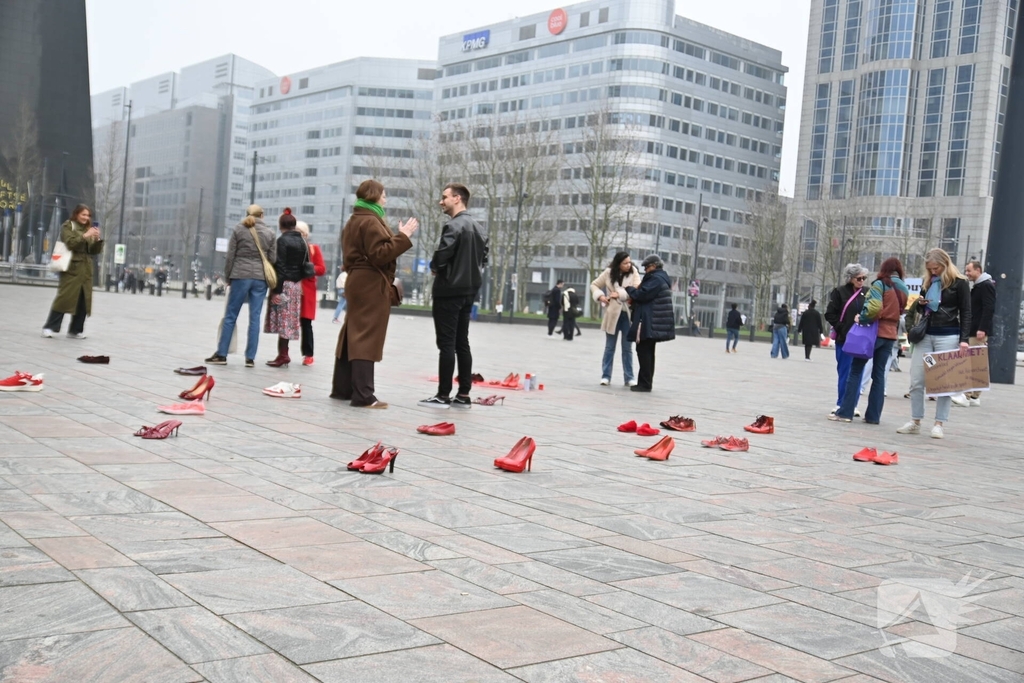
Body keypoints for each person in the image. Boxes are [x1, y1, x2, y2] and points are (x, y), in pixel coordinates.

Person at [332, 179, 418, 408]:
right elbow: (380, 254)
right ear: (374, 195)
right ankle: (364, 395)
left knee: (353, 332)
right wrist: (404, 236)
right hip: (370, 283)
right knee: (366, 336)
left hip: (358, 280)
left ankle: (343, 388)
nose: (385, 199)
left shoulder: (355, 220)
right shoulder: (370, 221)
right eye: (383, 194)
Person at [420, 183, 488, 408]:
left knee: (446, 343)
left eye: (445, 197)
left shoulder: (453, 226)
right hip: (469, 291)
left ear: (457, 198)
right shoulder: (479, 228)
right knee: (462, 342)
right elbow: (483, 259)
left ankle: (443, 394)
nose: (441, 201)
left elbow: (442, 255)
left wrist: (435, 266)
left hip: (448, 291)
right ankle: (464, 394)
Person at [898, 248, 971, 439]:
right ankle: (915, 420)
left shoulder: (960, 283)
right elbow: (919, 309)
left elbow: (966, 312)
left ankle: (939, 423)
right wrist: (922, 304)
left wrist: (964, 340)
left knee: (943, 382)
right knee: (916, 380)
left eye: (936, 268)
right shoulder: (928, 282)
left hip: (948, 335)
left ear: (945, 264)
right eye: (930, 269)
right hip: (926, 334)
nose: (933, 272)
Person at [831, 258, 908, 425]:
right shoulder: (903, 287)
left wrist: (862, 317)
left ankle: (845, 412)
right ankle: (873, 416)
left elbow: (874, 308)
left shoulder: (880, 284)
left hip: (875, 333)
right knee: (879, 375)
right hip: (891, 334)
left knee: (855, 370)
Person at [206, 206, 276, 366]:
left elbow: (231, 255)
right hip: (260, 279)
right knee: (255, 318)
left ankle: (222, 354)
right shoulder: (270, 233)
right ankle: (250, 357)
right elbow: (272, 258)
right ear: (262, 215)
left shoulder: (239, 229)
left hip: (240, 275)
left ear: (247, 215)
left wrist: (228, 276)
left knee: (231, 315)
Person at [42, 204, 104, 339]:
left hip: (86, 271)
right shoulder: (68, 225)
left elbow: (94, 251)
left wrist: (97, 240)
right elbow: (70, 243)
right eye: (83, 214)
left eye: (88, 215)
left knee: (83, 302)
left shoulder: (89, 229)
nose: (86, 217)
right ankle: (49, 327)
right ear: (76, 214)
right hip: (71, 269)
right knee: (64, 299)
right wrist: (86, 235)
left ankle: (75, 330)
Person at [264, 209, 309, 367]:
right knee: (289, 320)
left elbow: (280, 266)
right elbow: (305, 265)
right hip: (296, 285)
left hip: (285, 284)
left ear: (281, 225)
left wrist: (277, 290)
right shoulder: (302, 241)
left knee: (283, 320)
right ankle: (283, 353)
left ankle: (283, 355)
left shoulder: (282, 241)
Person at [625, 255, 676, 392]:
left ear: (654, 266)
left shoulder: (656, 279)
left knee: (644, 352)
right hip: (653, 322)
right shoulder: (660, 278)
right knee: (647, 352)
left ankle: (645, 384)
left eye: (647, 267)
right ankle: (645, 382)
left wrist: (629, 289)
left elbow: (642, 295)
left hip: (649, 322)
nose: (646, 270)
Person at [825, 264, 870, 415]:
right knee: (844, 371)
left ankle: (853, 404)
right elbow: (830, 314)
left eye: (864, 278)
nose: (862, 281)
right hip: (844, 339)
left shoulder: (867, 293)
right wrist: (842, 327)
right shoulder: (839, 292)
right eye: (859, 278)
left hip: (861, 339)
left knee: (857, 371)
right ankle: (841, 403)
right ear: (850, 278)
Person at [591, 251, 641, 385]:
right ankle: (606, 376)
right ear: (618, 264)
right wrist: (600, 296)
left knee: (627, 348)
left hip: (627, 314)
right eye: (625, 263)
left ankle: (629, 377)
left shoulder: (634, 272)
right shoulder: (608, 273)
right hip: (612, 314)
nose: (628, 265)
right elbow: (594, 285)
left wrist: (618, 293)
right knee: (609, 347)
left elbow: (636, 289)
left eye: (629, 262)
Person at [963, 260, 996, 406]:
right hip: (976, 329)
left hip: (977, 330)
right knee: (977, 362)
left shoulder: (985, 285)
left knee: (972, 363)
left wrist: (982, 328)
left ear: (978, 270)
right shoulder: (979, 286)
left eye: (969, 270)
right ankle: (975, 395)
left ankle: (968, 394)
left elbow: (989, 308)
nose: (967, 273)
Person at [295, 220, 326, 366]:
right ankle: (283, 353)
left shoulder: (313, 249)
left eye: (301, 232)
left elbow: (322, 269)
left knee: (306, 323)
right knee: (287, 321)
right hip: (292, 288)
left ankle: (308, 354)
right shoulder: (290, 247)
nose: (298, 235)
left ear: (306, 234)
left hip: (307, 290)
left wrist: (310, 268)